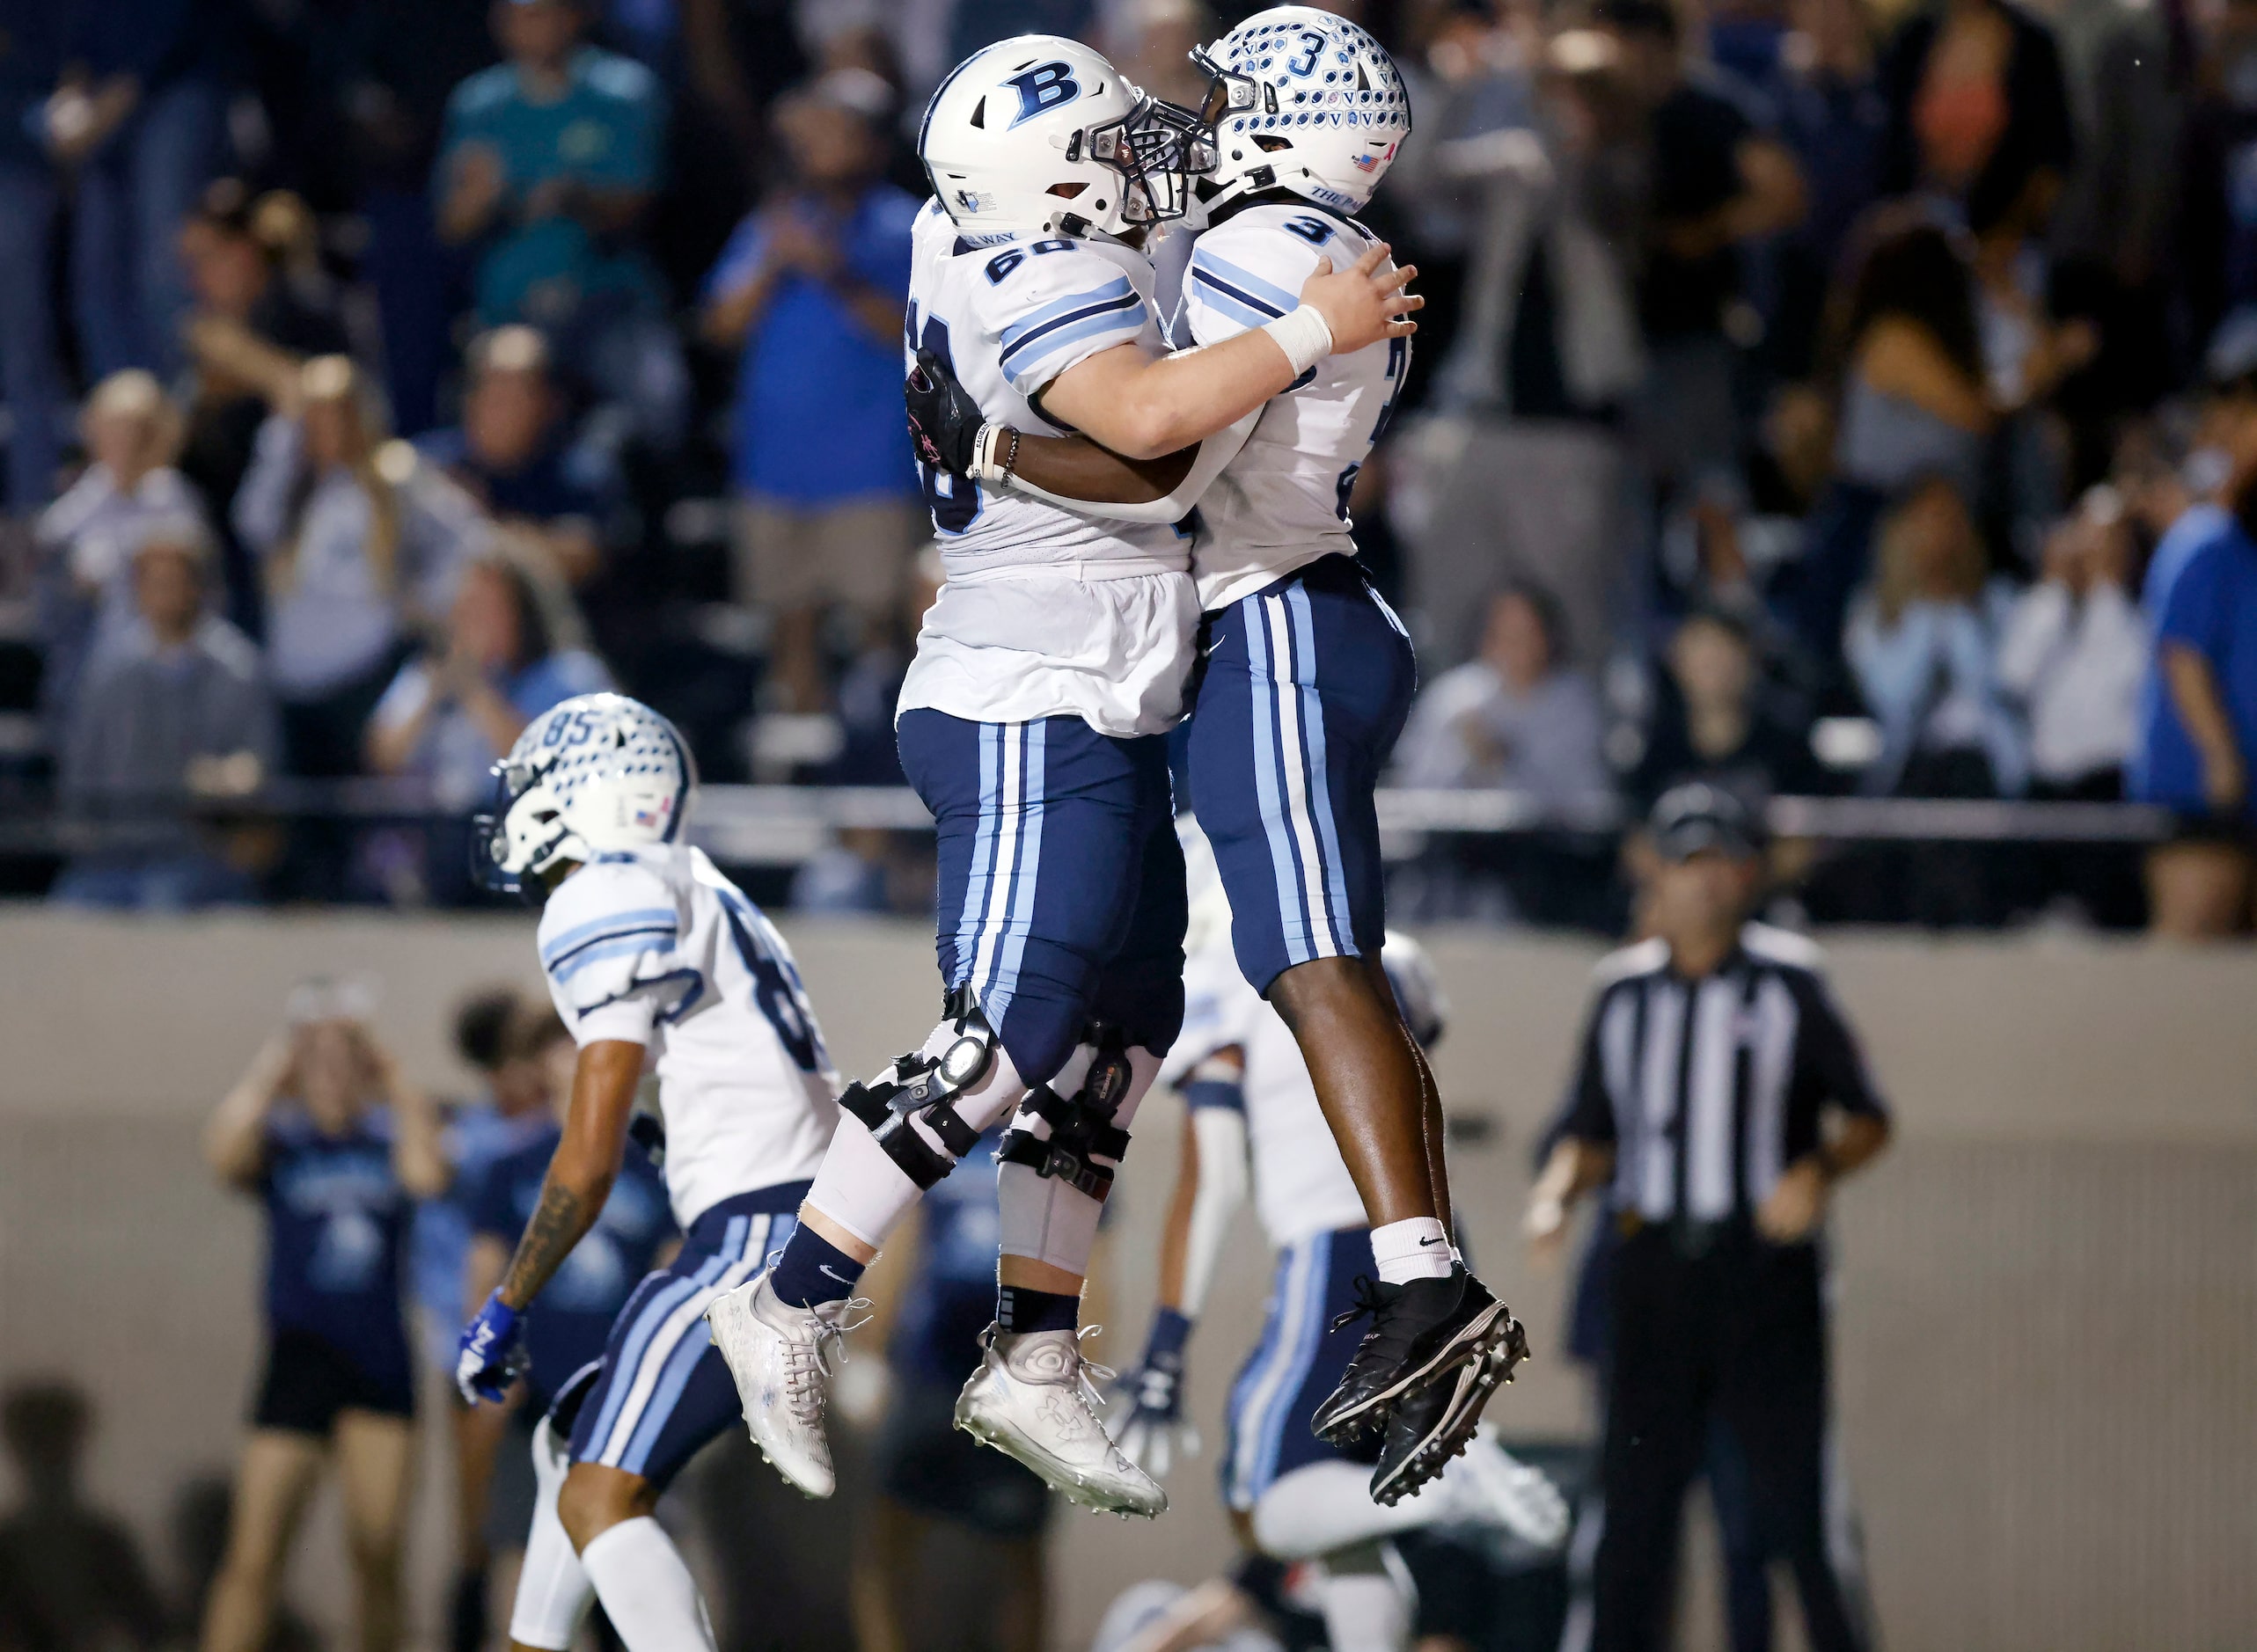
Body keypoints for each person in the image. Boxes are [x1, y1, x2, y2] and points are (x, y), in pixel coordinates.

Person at [705, 29, 1420, 1518]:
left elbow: (1124, 228)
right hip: (1027, 694)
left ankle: (1034, 1353)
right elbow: (1159, 444)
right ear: (1047, 189)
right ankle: (787, 1295)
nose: (1150, 158)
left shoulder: (963, 221)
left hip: (1101, 693)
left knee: (1121, 1033)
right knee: (1005, 1037)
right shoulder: (1045, 274)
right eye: (1110, 147)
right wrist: (1307, 326)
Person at [898, 9, 1526, 1507]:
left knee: (1314, 959)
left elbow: (1163, 461)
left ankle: (1430, 1282)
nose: (1205, 114)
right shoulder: (1283, 232)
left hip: (1278, 618)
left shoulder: (1272, 252)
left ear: (1295, 123)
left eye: (1238, 96)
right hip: (1270, 620)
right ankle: (1426, 1270)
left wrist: (988, 450)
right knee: (1310, 962)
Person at [454, 691, 841, 1652]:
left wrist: (505, 1306)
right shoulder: (704, 883)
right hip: (799, 1215)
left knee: (602, 1495)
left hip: (756, 1234)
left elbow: (583, 1168)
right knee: (572, 1444)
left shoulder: (607, 889)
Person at [1108, 857, 1567, 1652]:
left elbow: (1210, 1182)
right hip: (1432, 1250)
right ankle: (1446, 1489)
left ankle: (1455, 1487)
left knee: (1264, 1503)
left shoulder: (1224, 975)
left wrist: (1165, 1350)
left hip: (1340, 1260)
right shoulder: (1389, 950)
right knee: (1347, 1526)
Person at [1524, 785, 1889, 1652]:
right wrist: (1555, 1193)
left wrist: (1820, 1168)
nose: (1708, 884)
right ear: (1658, 871)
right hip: (1651, 1281)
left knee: (1798, 1513)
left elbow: (1869, 1115)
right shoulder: (1621, 994)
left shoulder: (1791, 983)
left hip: (1761, 1277)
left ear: (1748, 875)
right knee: (1630, 1518)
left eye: (1725, 864)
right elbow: (1591, 1131)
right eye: (1690, 863)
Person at [198, 984, 449, 1652]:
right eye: (319, 1060)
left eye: (346, 1059)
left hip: (378, 1363)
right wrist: (272, 1068)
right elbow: (222, 1154)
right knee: (253, 1560)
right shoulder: (284, 1145)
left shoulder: (385, 1142)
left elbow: (427, 1178)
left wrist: (392, 1077)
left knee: (378, 1555)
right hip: (298, 1362)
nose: (332, 1073)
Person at [699, 67, 924, 714]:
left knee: (880, 631)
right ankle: (801, 766)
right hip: (774, 466)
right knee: (786, 623)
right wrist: (775, 262)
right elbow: (719, 324)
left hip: (870, 470)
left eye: (839, 132)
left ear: (875, 145)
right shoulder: (773, 225)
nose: (818, 145)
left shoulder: (907, 227)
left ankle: (879, 761)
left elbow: (914, 334)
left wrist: (832, 272)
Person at [460, 1005, 674, 1652]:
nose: (579, 1061)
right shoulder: (513, 1167)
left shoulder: (654, 1165)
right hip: (537, 1400)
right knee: (522, 1575)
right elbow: (488, 1274)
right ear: (537, 1065)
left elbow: (673, 1281)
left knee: (629, 1584)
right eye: (561, 1047)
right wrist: (490, 1369)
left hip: (622, 1405)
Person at [436, 0, 684, 446]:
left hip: (608, 297)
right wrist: (480, 199)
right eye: (522, 15)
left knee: (659, 414)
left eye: (546, 13)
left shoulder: (623, 91)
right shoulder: (478, 104)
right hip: (511, 305)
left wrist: (573, 197)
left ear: (576, 17)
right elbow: (452, 224)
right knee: (497, 429)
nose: (535, 28)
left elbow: (640, 202)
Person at [233, 355, 485, 779]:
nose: (326, 426)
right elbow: (250, 523)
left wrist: (420, 602)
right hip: (294, 687)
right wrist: (282, 434)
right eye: (314, 415)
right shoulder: (295, 490)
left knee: (370, 820)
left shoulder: (396, 475)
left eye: (336, 412)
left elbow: (469, 542)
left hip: (366, 676)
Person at [849, 1125, 1052, 1652]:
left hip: (1017, 1382)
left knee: (1019, 1546)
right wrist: (871, 1355)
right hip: (928, 1373)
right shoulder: (944, 1136)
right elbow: (900, 1245)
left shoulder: (1065, 1144)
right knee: (891, 1536)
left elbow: (1091, 1265)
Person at [50, 515, 278, 910]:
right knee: (66, 911)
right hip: (112, 853)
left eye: (174, 582)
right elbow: (80, 773)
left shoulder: (237, 668)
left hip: (198, 853)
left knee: (164, 900)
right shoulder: (108, 671)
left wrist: (225, 780)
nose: (164, 594)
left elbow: (262, 772)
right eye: (153, 583)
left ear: (198, 587)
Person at [367, 550, 611, 902]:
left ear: (523, 614)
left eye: (487, 609)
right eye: (465, 609)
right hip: (444, 846)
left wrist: (475, 692)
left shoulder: (568, 675)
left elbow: (535, 765)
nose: (472, 622)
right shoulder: (431, 675)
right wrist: (435, 692)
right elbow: (383, 756)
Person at [175, 181, 355, 633]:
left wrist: (244, 359)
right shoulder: (215, 332)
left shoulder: (305, 312)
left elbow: (328, 407)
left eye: (206, 258)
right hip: (224, 535)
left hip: (306, 530)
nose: (196, 279)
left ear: (244, 252)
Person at [2131, 343, 2257, 937]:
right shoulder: (2202, 541)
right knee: (2188, 952)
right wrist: (2218, 757)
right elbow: (2182, 655)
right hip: (2202, 797)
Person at [48, 0, 225, 380]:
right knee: (96, 281)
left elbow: (169, 29)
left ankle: (184, 413)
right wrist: (71, 94)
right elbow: (77, 29)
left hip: (173, 88)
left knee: (164, 272)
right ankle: (123, 419)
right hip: (102, 107)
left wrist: (104, 111)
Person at [1997, 486, 2149, 924]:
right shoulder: (2041, 606)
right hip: (2045, 786)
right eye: (2089, 536)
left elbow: (2126, 676)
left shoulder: (2137, 615)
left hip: (2109, 786)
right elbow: (2014, 676)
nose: (2097, 550)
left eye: (2111, 539)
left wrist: (2104, 589)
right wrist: (2057, 589)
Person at [34, 370, 203, 722]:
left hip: (169, 674)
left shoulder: (173, 496)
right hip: (92, 671)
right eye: (114, 429)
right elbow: (49, 553)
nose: (125, 441)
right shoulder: (79, 504)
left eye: (138, 428)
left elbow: (192, 582)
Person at [418, 326, 623, 588]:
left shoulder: (580, 470)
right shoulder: (429, 463)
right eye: (492, 388)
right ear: (469, 399)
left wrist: (477, 524)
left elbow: (583, 557)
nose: (502, 407)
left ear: (548, 404)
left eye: (518, 393)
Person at [1392, 583, 1609, 801]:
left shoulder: (1575, 705)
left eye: (1528, 633)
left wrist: (1501, 760)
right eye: (1506, 634)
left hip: (1552, 834)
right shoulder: (1452, 699)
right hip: (1456, 834)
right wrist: (1465, 758)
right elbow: (1415, 789)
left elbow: (1589, 799)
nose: (1517, 646)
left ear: (1549, 637)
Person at [0, 1382, 167, 1652]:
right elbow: (151, 1627)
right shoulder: (103, 1541)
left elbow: (151, 1627)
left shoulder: (104, 1542)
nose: (49, 1460)